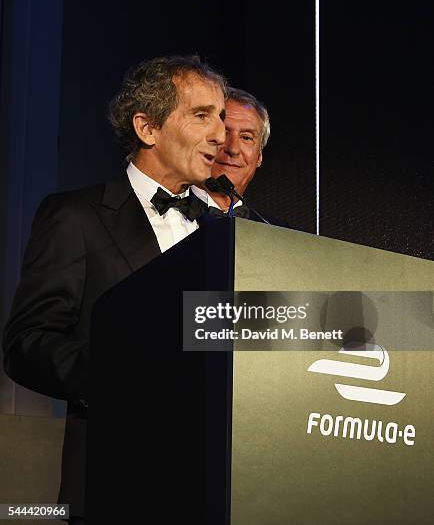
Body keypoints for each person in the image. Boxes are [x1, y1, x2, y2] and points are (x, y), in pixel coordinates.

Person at [2, 55, 226, 524]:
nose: (221, 135)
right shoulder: (76, 217)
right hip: (119, 485)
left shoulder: (226, 232)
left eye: (222, 117)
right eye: (202, 115)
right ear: (147, 127)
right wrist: (122, 379)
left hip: (222, 488)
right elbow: (28, 343)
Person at [193, 86, 288, 227]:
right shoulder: (166, 214)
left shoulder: (279, 234)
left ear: (259, 157)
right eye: (224, 132)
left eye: (246, 137)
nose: (233, 149)